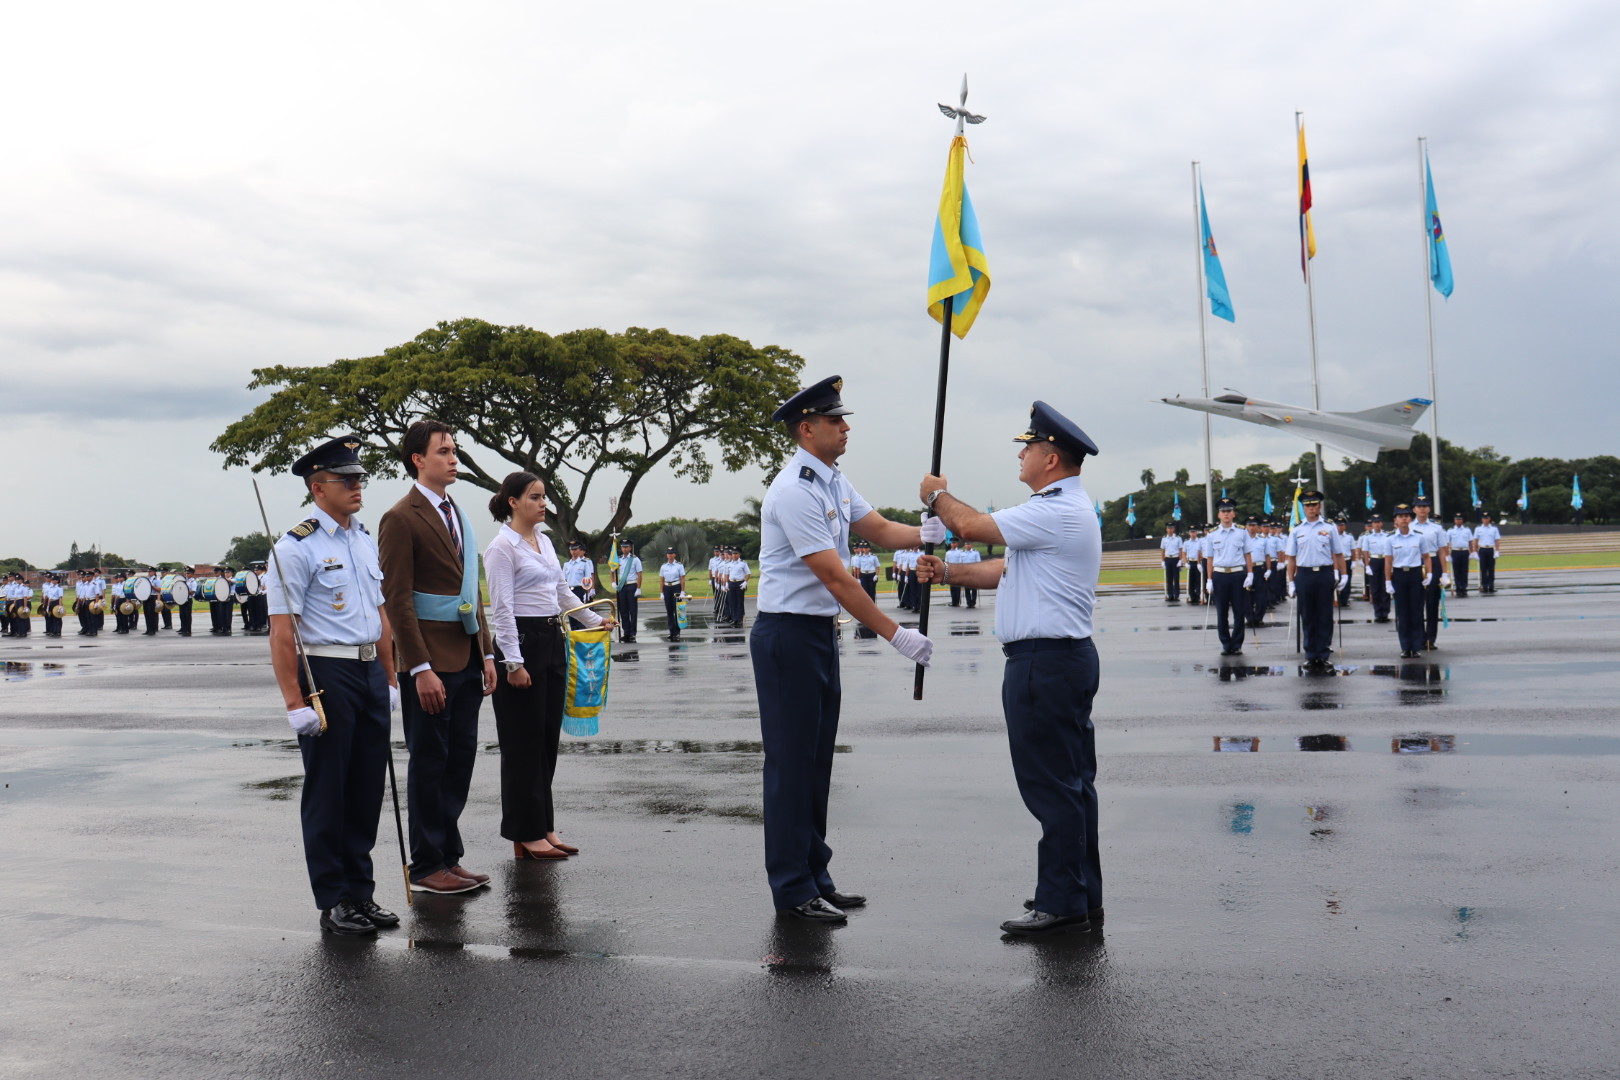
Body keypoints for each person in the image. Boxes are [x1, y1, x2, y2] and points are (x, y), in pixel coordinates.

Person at [753, 374, 938, 924]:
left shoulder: (831, 480)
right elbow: (836, 578)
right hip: (787, 634)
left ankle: (816, 875)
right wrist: (896, 633)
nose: (845, 427)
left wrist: (923, 531)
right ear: (806, 429)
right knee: (790, 766)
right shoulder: (794, 490)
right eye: (836, 420)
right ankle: (791, 887)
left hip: (814, 635)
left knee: (815, 764)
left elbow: (877, 528)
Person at [916, 400, 1103, 936]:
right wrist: (950, 572)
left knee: (1051, 786)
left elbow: (971, 524)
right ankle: (1080, 894)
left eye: (1029, 447)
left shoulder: (1053, 507)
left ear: (1051, 458)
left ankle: (1062, 902)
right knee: (1071, 784)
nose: (1021, 455)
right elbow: (1007, 568)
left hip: (1044, 662)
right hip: (1059, 659)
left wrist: (934, 494)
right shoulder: (1060, 509)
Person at [265, 434, 402, 936]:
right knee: (330, 790)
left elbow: (380, 614)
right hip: (326, 673)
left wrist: (388, 675)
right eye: (346, 480)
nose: (357, 486)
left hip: (367, 671)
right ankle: (334, 897)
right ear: (317, 487)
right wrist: (294, 701)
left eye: (359, 478)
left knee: (366, 786)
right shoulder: (296, 548)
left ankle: (361, 892)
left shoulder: (363, 538)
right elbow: (283, 632)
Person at [378, 419, 497, 897]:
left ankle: (448, 855)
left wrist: (486, 652)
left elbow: (472, 591)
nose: (453, 458)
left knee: (460, 761)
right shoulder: (401, 517)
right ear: (417, 460)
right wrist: (419, 667)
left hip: (467, 655)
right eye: (443, 451)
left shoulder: (457, 513)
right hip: (430, 664)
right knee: (430, 762)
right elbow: (398, 599)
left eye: (454, 450)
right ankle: (426, 865)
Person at [484, 472, 613, 861]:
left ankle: (543, 826)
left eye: (544, 497)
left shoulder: (542, 540)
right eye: (535, 497)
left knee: (544, 742)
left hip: (551, 640)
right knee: (521, 744)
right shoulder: (501, 547)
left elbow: (561, 592)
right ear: (513, 502)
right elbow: (502, 610)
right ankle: (524, 833)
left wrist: (594, 621)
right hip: (521, 644)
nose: (543, 503)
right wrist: (512, 663)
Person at [1285, 490, 1344, 674]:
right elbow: (1291, 557)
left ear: (1320, 506)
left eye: (1314, 504)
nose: (1311, 508)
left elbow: (1339, 553)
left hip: (1324, 573)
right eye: (1307, 505)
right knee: (1308, 616)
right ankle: (1311, 655)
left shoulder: (1329, 527)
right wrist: (1291, 581)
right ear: (1303, 508)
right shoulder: (1297, 529)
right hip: (1304, 574)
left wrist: (1344, 575)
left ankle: (1323, 654)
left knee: (1325, 616)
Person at [1203, 499, 1255, 656]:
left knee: (1239, 611)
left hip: (1238, 574)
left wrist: (1250, 573)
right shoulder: (1212, 535)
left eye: (1229, 511)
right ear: (1219, 514)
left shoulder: (1241, 531)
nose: (1226, 514)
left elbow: (1247, 554)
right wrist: (1209, 579)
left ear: (1234, 514)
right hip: (1219, 575)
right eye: (1223, 511)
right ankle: (1226, 644)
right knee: (1221, 612)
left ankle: (1237, 644)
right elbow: (1209, 559)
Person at [1384, 504, 1433, 658]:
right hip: (1399, 575)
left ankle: (1416, 646)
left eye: (1406, 515)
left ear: (1410, 518)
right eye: (1400, 516)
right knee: (1403, 613)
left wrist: (1429, 574)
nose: (1404, 518)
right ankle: (1405, 647)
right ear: (1395, 520)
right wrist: (1388, 581)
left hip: (1415, 574)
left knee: (1416, 612)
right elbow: (1388, 561)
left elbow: (1426, 556)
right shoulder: (1390, 538)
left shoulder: (1419, 536)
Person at [1409, 496, 1449, 650]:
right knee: (1417, 602)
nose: (1422, 509)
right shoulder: (1409, 527)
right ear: (1414, 509)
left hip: (1433, 562)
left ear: (1429, 509)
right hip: (1416, 563)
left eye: (1425, 506)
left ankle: (1430, 638)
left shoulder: (1436, 528)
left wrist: (1444, 573)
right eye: (1419, 506)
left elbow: (1441, 551)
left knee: (1432, 603)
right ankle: (1419, 637)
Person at [1361, 515, 1392, 623]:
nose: (1377, 524)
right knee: (1375, 589)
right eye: (1375, 523)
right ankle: (1378, 613)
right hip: (1374, 561)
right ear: (1372, 524)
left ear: (1381, 523)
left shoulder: (1387, 536)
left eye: (1379, 522)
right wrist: (1367, 565)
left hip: (1384, 560)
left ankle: (1385, 612)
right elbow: (1365, 552)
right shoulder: (1367, 537)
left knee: (1385, 588)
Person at [612, 539, 642, 642]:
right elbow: (612, 571)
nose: (624, 549)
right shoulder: (618, 559)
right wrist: (613, 582)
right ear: (620, 548)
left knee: (632, 611)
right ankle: (626, 632)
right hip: (622, 587)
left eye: (626, 547)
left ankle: (633, 633)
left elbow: (639, 574)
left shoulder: (635, 559)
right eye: (623, 547)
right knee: (623, 611)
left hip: (632, 586)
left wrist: (638, 588)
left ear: (630, 548)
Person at [658, 547, 687, 639]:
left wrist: (682, 591)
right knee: (669, 611)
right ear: (666, 555)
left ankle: (677, 632)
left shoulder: (679, 566)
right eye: (668, 553)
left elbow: (682, 578)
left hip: (676, 587)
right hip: (667, 587)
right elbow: (662, 580)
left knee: (677, 610)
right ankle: (671, 631)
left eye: (671, 553)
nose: (670, 555)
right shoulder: (663, 566)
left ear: (675, 555)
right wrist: (661, 592)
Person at [1447, 512, 1475, 598]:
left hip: (1464, 551)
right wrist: (1448, 554)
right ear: (1454, 520)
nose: (1458, 521)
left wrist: (1472, 552)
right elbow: (1447, 543)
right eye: (1456, 519)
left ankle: (1464, 587)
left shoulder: (1467, 530)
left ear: (1462, 520)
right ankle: (1458, 588)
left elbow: (1470, 542)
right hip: (1455, 551)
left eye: (1460, 519)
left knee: (1464, 571)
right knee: (1457, 571)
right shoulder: (1451, 530)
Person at [1475, 511, 1502, 593]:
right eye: (1484, 518)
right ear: (1481, 519)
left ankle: (1491, 585)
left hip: (1490, 549)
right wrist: (1475, 551)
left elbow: (1497, 540)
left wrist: (1497, 551)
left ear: (1489, 519)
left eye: (1486, 518)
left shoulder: (1494, 529)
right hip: (1482, 549)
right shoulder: (1478, 529)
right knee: (1483, 569)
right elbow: (1475, 540)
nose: (1485, 520)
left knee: (1491, 569)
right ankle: (1484, 586)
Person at [724, 546, 750, 627]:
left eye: (736, 553)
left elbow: (748, 573)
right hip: (731, 583)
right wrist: (726, 583)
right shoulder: (729, 564)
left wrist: (745, 582)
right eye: (733, 553)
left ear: (739, 554)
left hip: (740, 583)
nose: (734, 555)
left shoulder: (743, 564)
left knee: (739, 602)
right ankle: (734, 618)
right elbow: (726, 574)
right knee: (732, 602)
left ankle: (739, 619)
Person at [1160, 521, 1182, 602]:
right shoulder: (1164, 539)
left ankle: (1176, 594)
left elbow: (1180, 550)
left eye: (1171, 528)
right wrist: (1162, 561)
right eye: (1168, 528)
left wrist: (1180, 560)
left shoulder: (1178, 538)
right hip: (1168, 559)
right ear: (1166, 529)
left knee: (1176, 578)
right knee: (1169, 578)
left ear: (1174, 529)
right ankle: (1170, 594)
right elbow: (1162, 550)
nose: (1170, 530)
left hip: (1175, 559)